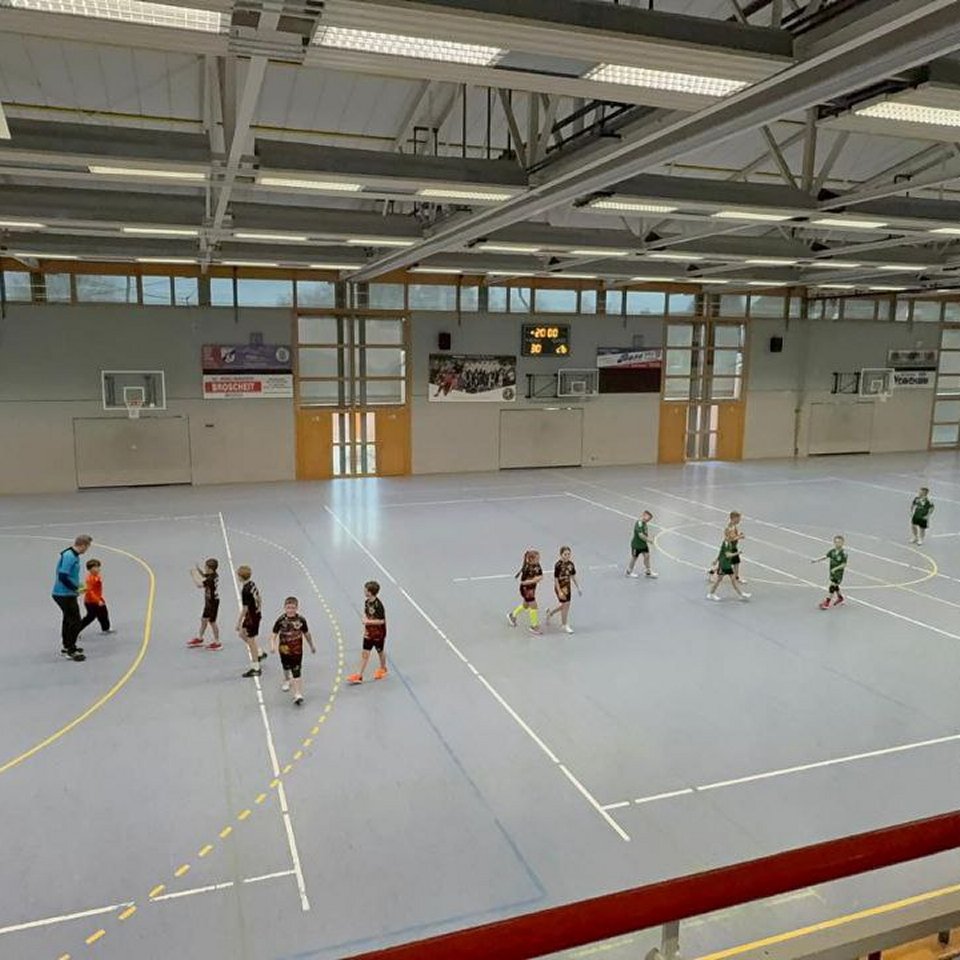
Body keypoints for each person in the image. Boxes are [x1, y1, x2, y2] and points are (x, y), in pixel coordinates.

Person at [52, 534, 92, 661]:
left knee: (68, 620)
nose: (87, 550)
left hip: (66, 593)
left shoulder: (73, 555)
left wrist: (78, 585)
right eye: (87, 547)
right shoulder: (70, 556)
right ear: (83, 545)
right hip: (64, 594)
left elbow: (70, 575)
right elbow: (63, 576)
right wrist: (75, 588)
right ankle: (70, 649)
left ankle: (67, 646)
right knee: (75, 621)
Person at [270, 596, 315, 706]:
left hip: (297, 651)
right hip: (284, 650)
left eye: (293, 608)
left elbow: (307, 634)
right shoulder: (281, 620)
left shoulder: (301, 620)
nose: (290, 610)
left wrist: (311, 645)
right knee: (286, 667)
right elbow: (273, 634)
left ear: (297, 608)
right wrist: (272, 646)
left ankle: (298, 694)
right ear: (284, 608)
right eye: (288, 608)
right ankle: (286, 679)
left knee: (296, 671)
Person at [346, 581, 387, 684]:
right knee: (365, 653)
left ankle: (383, 668)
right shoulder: (367, 602)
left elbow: (382, 621)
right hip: (369, 633)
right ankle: (359, 675)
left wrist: (368, 621)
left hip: (378, 634)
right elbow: (366, 612)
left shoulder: (378, 605)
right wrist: (365, 619)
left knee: (380, 651)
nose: (364, 591)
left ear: (370, 592)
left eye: (365, 590)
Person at [237, 565, 267, 678]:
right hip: (255, 614)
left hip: (251, 617)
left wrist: (239, 622)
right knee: (242, 634)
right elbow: (259, 597)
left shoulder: (245, 590)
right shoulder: (252, 584)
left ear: (240, 577)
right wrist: (259, 608)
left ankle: (256, 668)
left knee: (251, 640)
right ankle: (259, 653)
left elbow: (245, 608)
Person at [187, 559, 221, 650]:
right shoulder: (213, 574)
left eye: (206, 567)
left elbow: (199, 585)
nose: (204, 568)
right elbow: (204, 575)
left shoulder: (210, 579)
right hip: (209, 601)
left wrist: (194, 576)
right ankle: (200, 638)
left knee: (212, 622)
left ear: (210, 569)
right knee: (204, 619)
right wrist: (199, 570)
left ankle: (217, 642)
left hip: (213, 602)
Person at [507, 549, 543, 635]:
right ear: (531, 559)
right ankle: (534, 626)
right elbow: (524, 582)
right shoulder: (527, 568)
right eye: (537, 559)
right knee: (534, 606)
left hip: (532, 589)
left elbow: (540, 576)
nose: (539, 560)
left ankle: (512, 615)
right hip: (526, 590)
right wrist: (534, 580)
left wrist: (538, 578)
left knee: (525, 605)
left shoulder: (537, 565)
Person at [546, 546, 581, 634]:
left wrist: (578, 587)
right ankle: (564, 624)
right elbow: (556, 579)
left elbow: (573, 576)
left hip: (567, 588)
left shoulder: (571, 564)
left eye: (569, 554)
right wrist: (559, 591)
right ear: (561, 555)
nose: (567, 556)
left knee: (566, 606)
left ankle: (550, 613)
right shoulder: (558, 565)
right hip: (560, 588)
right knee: (565, 606)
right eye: (565, 554)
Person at [706, 536, 751, 602]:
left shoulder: (729, 544)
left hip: (728, 565)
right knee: (718, 580)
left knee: (733, 580)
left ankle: (741, 594)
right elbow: (727, 555)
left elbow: (720, 553)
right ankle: (711, 594)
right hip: (723, 565)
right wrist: (737, 553)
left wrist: (716, 560)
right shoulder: (726, 544)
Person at [78, 558, 115, 636]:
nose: (98, 569)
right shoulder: (90, 579)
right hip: (91, 602)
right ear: (90, 569)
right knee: (90, 617)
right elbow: (90, 591)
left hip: (98, 599)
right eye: (95, 567)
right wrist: (98, 601)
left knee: (103, 614)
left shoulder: (96, 576)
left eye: (98, 567)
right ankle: (76, 630)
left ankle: (106, 628)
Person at [814, 535, 847, 609]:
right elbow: (826, 556)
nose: (838, 543)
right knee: (835, 586)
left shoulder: (843, 553)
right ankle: (840, 598)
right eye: (836, 542)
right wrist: (817, 560)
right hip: (832, 572)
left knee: (832, 586)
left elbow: (844, 564)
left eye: (839, 542)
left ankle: (827, 602)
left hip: (838, 573)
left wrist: (835, 569)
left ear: (843, 543)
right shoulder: (832, 551)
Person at [626, 511, 658, 578]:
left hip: (643, 544)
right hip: (636, 545)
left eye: (649, 519)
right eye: (648, 518)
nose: (648, 520)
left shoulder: (644, 523)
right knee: (634, 558)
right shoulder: (639, 524)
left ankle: (648, 572)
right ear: (644, 515)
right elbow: (641, 535)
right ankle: (629, 572)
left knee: (647, 556)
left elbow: (645, 533)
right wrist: (649, 540)